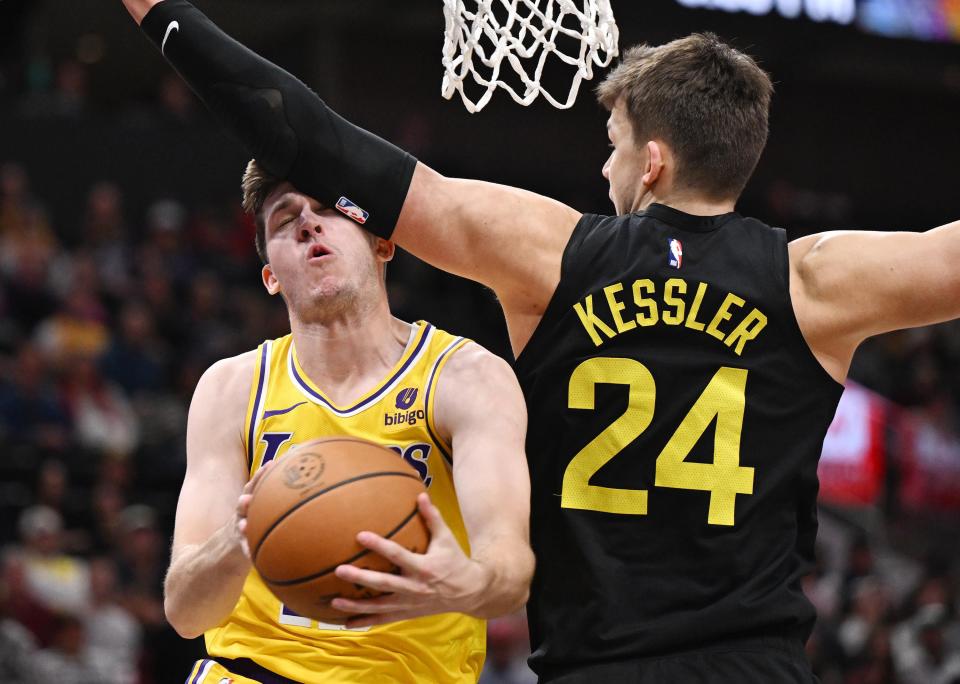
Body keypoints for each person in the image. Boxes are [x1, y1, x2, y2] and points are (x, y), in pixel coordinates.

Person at [121, 0, 960, 681]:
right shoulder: (816, 282)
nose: (606, 170)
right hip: (756, 661)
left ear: (654, 163)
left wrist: (162, 14)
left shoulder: (557, 258)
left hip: (598, 658)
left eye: (614, 146)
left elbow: (318, 141)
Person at [155, 129, 534, 681]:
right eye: (285, 221)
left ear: (383, 243)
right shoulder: (231, 388)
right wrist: (244, 534)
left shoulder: (467, 378)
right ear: (270, 277)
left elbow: (511, 569)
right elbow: (186, 614)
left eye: (330, 209)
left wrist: (467, 582)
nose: (308, 223)